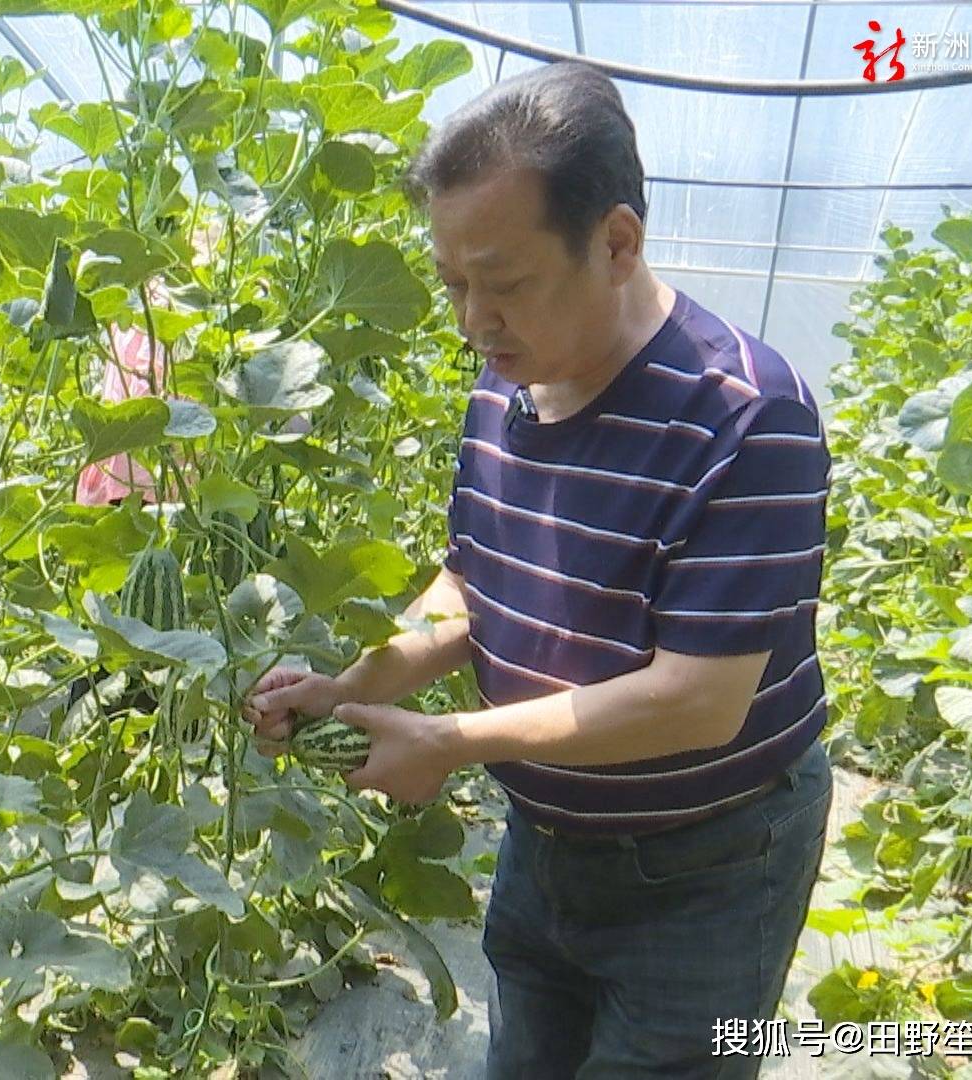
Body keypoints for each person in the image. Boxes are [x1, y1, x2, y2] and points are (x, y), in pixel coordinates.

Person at [242, 61, 834, 1079]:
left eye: (504, 283)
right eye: (454, 285)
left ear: (616, 242)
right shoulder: (507, 380)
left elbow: (696, 702)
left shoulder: (747, 415)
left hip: (711, 869)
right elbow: (472, 585)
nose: (475, 319)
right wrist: (354, 684)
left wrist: (449, 739)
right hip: (546, 842)